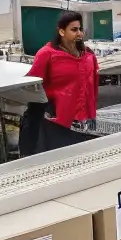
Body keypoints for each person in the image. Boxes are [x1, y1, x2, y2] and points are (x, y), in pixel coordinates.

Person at [27, 11, 99, 151]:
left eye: (80, 29)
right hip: (58, 122)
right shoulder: (46, 54)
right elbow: (32, 86)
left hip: (86, 120)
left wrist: (92, 112)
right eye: (74, 30)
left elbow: (93, 86)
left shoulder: (88, 54)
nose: (79, 34)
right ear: (61, 31)